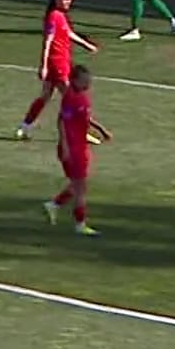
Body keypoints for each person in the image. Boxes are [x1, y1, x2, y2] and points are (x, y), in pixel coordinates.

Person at [17, 0, 100, 139]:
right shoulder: (54, 16)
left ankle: (24, 127)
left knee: (45, 96)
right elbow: (47, 41)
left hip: (59, 63)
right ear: (57, 0)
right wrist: (43, 65)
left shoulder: (59, 16)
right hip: (58, 64)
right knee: (73, 99)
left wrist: (86, 45)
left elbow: (68, 33)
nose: (69, 2)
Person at [45, 64, 111, 236]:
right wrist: (65, 147)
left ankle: (55, 205)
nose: (88, 84)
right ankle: (80, 224)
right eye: (85, 81)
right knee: (81, 187)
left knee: (78, 185)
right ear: (75, 80)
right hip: (73, 148)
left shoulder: (82, 96)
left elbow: (86, 118)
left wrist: (101, 130)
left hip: (81, 146)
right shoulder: (70, 98)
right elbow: (61, 122)